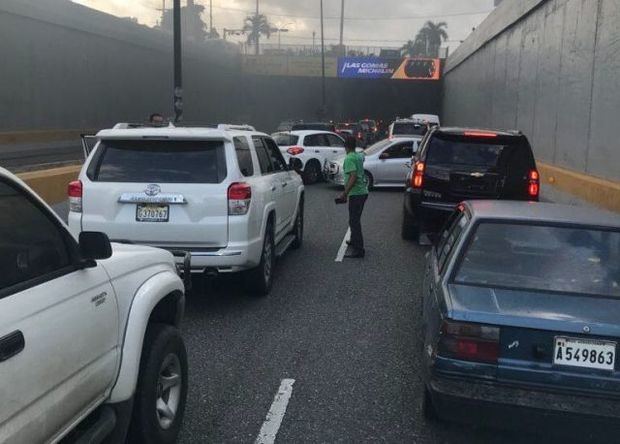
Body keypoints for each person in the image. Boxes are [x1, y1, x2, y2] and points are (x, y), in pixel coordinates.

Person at [337, 135, 369, 258]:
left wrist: (344, 193)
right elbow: (363, 156)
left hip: (356, 193)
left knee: (354, 221)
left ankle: (359, 249)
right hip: (362, 192)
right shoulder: (358, 156)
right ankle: (354, 240)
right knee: (355, 219)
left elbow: (353, 176)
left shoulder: (349, 158)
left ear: (345, 146)